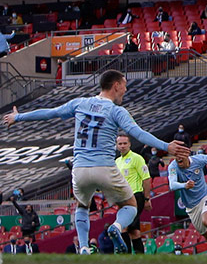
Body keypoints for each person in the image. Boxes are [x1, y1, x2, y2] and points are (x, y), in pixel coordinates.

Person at [2, 70, 189, 254]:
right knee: (131, 206)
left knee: (82, 207)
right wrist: (166, 146)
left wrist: (18, 117)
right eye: (124, 86)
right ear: (116, 86)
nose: (125, 90)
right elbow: (138, 133)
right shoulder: (116, 111)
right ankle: (116, 226)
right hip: (105, 167)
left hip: (80, 168)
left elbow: (51, 113)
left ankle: (83, 247)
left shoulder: (80, 103)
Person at [115, 134, 152, 253]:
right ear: (116, 146)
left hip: (135, 196)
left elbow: (146, 179)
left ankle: (126, 257)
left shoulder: (137, 158)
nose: (122, 146)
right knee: (134, 231)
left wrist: (146, 199)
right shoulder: (117, 162)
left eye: (125, 143)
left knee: (123, 227)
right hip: (122, 198)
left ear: (130, 144)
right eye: (120, 144)